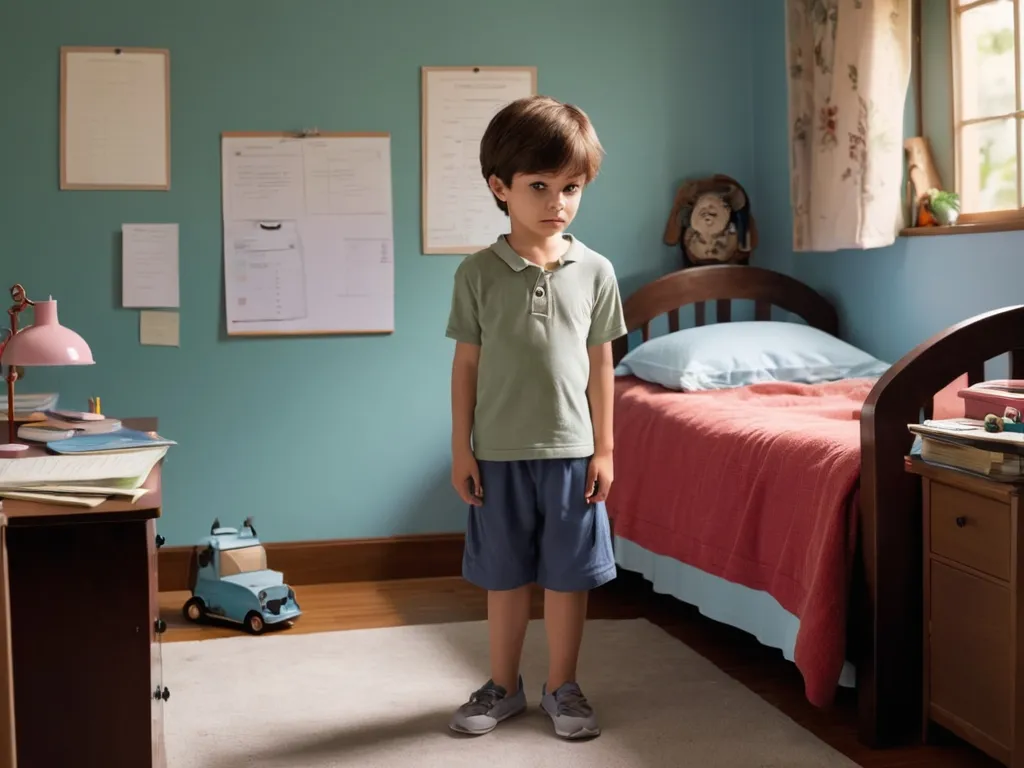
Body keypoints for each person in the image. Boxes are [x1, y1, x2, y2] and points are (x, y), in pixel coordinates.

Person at [444, 95, 627, 740]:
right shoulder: (476, 274)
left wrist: (604, 449)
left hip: (573, 453)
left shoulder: (597, 271)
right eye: (539, 186)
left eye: (571, 187)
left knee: (569, 576)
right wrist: (462, 449)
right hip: (496, 452)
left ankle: (563, 687)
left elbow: (601, 366)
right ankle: (503, 685)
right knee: (504, 576)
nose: (557, 202)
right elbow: (466, 367)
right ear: (501, 187)